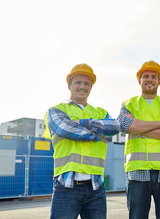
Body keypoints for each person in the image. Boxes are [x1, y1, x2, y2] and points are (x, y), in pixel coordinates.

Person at [43, 63, 120, 219]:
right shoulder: (56, 110)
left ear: (91, 87)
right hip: (66, 186)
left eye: (86, 83)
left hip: (96, 186)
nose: (82, 86)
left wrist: (83, 122)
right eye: (78, 82)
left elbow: (115, 126)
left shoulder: (100, 112)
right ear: (69, 84)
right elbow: (64, 129)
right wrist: (96, 133)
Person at [117, 60, 160, 219]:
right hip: (137, 172)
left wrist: (139, 127)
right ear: (139, 80)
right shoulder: (128, 104)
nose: (150, 79)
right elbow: (124, 126)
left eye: (154, 76)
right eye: (145, 76)